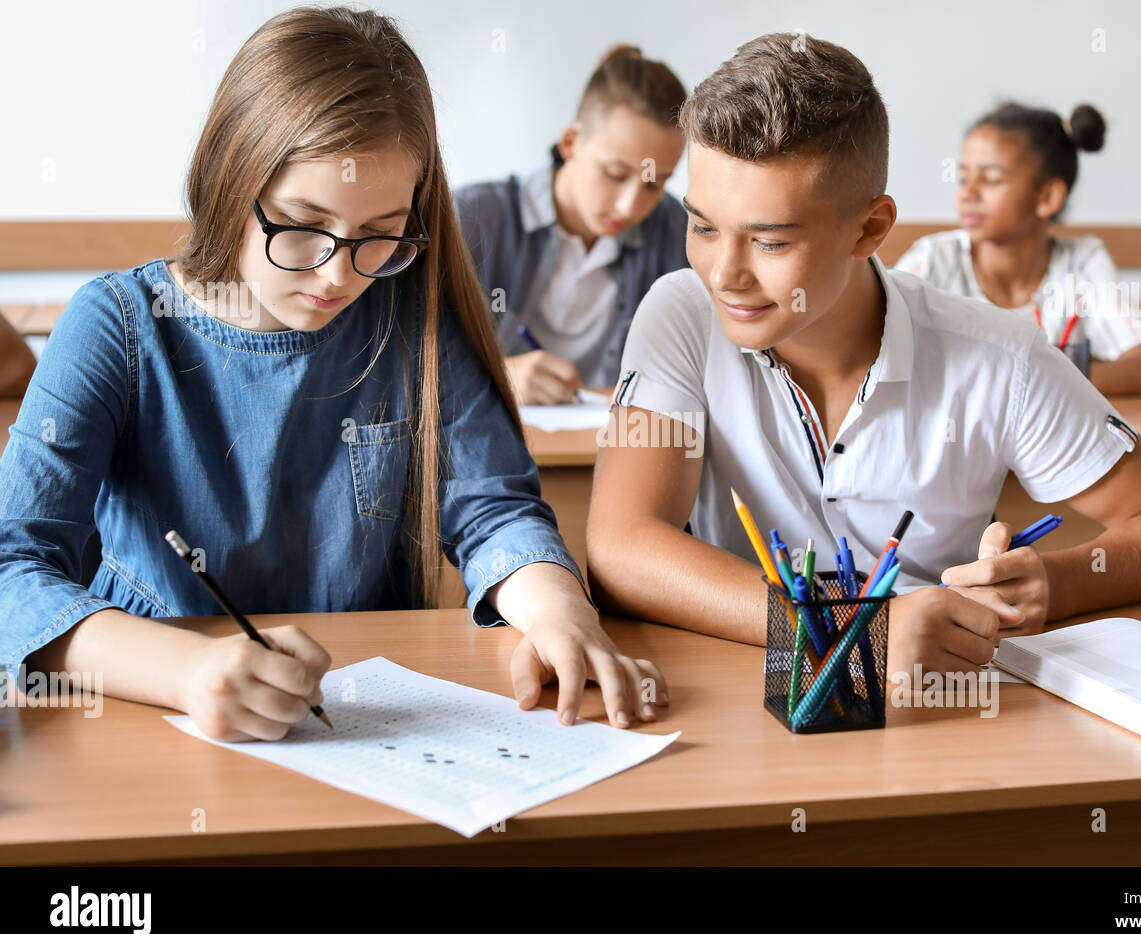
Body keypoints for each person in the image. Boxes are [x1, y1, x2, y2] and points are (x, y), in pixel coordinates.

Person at [0, 6, 667, 741]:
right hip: (151, 719)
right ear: (231, 173)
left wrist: (556, 611)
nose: (338, 274)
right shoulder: (117, 326)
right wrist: (185, 672)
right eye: (303, 224)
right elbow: (11, 567)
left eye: (380, 236)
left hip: (364, 725)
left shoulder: (407, 320)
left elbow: (494, 511)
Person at [586, 34, 1141, 683]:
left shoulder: (999, 354)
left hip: (942, 702)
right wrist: (853, 629)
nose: (724, 274)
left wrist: (1052, 582)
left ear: (870, 228)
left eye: (770, 242)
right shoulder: (679, 313)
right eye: (702, 226)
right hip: (753, 689)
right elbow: (621, 549)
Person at [454, 45, 689, 404]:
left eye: (654, 185)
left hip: (610, 447)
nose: (629, 206)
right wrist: (497, 377)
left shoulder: (675, 230)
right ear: (570, 142)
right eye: (615, 174)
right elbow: (408, 363)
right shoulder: (471, 218)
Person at [895, 102, 1141, 397]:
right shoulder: (933, 258)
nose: (967, 193)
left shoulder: (1082, 262)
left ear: (1048, 197)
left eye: (991, 180)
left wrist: (1018, 384)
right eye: (963, 178)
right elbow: (872, 351)